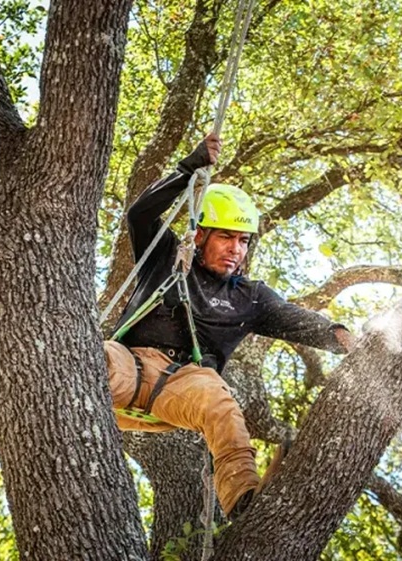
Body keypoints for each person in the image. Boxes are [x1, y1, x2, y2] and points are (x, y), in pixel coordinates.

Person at [104, 132, 355, 520]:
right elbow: (140, 214)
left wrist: (346, 339)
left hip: (182, 386)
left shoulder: (250, 297)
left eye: (243, 240)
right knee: (93, 359)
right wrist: (189, 168)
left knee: (220, 400)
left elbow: (302, 323)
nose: (236, 249)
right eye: (226, 237)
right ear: (199, 234)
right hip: (128, 364)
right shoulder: (168, 257)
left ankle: (243, 502)